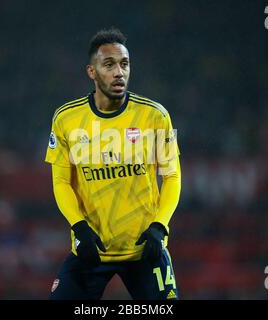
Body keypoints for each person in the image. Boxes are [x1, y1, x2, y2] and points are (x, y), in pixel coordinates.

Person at [45, 27, 181, 300]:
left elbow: (172, 177)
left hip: (145, 249)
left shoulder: (155, 116)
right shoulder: (66, 119)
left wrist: (160, 226)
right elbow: (60, 181)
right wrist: (79, 227)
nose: (119, 72)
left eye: (124, 64)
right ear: (91, 72)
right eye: (109, 65)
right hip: (91, 249)